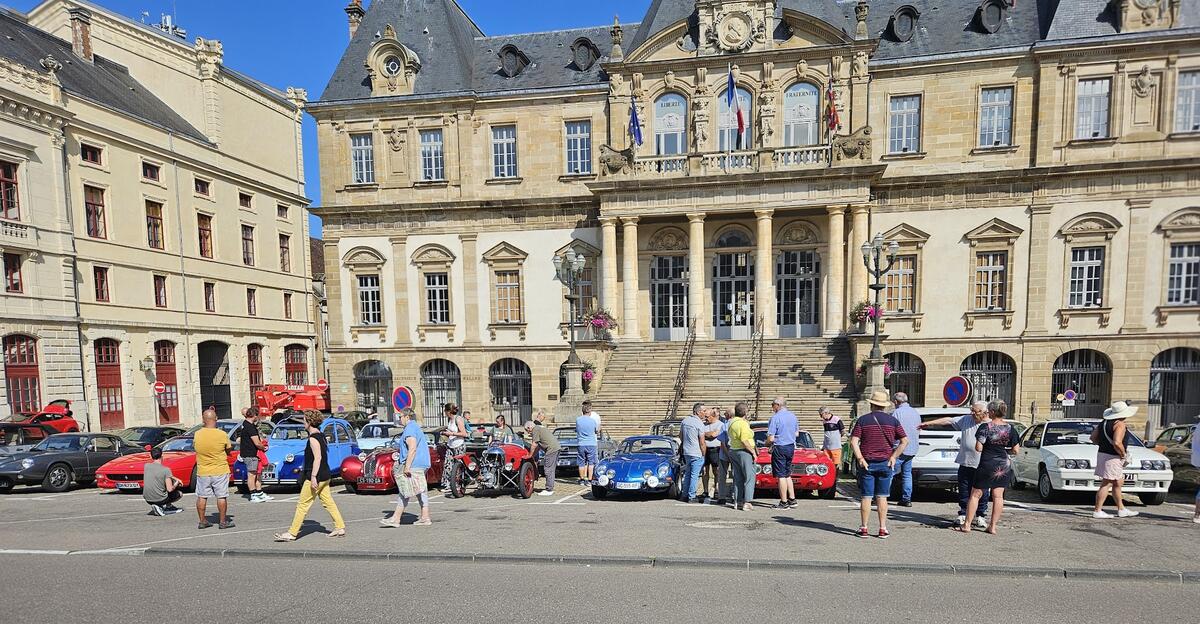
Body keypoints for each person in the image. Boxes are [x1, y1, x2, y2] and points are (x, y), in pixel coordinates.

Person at [274, 410, 347, 540]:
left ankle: (292, 533)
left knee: (302, 505)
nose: (303, 422)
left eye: (304, 420)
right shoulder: (321, 435)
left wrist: (313, 477)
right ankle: (340, 527)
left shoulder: (313, 438)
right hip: (325, 474)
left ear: (309, 422)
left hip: (316, 476)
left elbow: (317, 458)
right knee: (328, 502)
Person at [919, 401, 990, 528]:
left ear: (985, 413)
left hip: (982, 464)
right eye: (972, 410)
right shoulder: (966, 419)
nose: (972, 413)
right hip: (965, 461)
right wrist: (928, 423)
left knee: (982, 492)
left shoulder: (990, 424)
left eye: (976, 411)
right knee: (963, 489)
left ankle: (980, 515)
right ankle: (963, 514)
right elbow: (949, 421)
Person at [849, 390, 908, 539]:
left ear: (872, 405)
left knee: (866, 497)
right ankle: (882, 528)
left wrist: (860, 458)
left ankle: (864, 528)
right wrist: (894, 456)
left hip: (867, 463)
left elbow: (854, 441)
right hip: (885, 463)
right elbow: (904, 441)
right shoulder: (893, 421)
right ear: (884, 406)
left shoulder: (862, 420)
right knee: (882, 497)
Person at [958, 400, 1020, 534]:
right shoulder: (1011, 429)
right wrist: (1003, 451)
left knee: (975, 494)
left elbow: (978, 447)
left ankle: (967, 525)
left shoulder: (985, 427)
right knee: (998, 496)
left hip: (987, 463)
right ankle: (992, 526)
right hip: (1003, 464)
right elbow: (1015, 450)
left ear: (991, 412)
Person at [381, 408, 432, 527]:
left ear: (407, 417)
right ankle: (425, 517)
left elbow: (412, 448)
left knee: (405, 490)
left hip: (414, 464)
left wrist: (407, 466)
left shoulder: (410, 429)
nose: (400, 419)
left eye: (401, 417)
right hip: (421, 463)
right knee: (420, 490)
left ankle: (396, 518)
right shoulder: (416, 427)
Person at [1091, 401, 1140, 519]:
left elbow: (1093, 438)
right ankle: (1097, 510)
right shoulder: (1120, 424)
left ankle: (1121, 508)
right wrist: (1123, 453)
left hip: (1103, 454)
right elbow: (1117, 442)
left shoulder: (1104, 422)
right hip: (1113, 456)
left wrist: (1104, 446)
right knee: (1106, 483)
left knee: (1118, 482)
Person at [194, 408, 234, 530]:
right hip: (220, 469)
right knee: (221, 496)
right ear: (215, 419)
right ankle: (222, 522)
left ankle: (202, 521)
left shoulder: (197, 434)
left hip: (203, 470)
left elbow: (195, 447)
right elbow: (228, 449)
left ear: (203, 420)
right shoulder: (222, 434)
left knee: (202, 496)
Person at [766, 397, 799, 509]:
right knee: (787, 473)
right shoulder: (793, 416)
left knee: (780, 475)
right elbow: (797, 433)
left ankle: (783, 501)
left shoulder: (775, 418)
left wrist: (766, 443)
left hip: (780, 446)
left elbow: (770, 438)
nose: (772, 408)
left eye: (773, 405)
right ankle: (792, 499)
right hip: (790, 446)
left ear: (778, 405)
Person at [891, 392, 921, 507]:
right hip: (913, 447)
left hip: (899, 448)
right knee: (907, 474)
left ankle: (881, 496)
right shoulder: (915, 412)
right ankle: (906, 499)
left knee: (890, 472)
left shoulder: (896, 413)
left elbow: (892, 431)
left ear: (895, 402)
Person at [727, 402, 757, 511]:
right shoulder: (743, 424)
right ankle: (747, 502)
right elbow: (744, 440)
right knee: (749, 476)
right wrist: (753, 452)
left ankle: (737, 501)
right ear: (745, 412)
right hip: (744, 451)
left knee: (738, 477)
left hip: (733, 450)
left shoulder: (731, 422)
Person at [238, 407, 272, 503]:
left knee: (256, 473)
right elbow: (257, 442)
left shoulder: (246, 425)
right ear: (254, 415)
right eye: (257, 415)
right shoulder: (250, 427)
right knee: (252, 474)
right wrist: (263, 447)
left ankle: (259, 493)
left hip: (248, 453)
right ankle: (253, 494)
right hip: (250, 454)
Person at [143, 446, 182, 516]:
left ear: (151, 456)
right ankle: (161, 506)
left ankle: (163, 506)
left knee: (163, 482)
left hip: (147, 499)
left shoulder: (146, 466)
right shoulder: (166, 470)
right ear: (162, 456)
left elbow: (160, 474)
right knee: (179, 493)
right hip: (160, 499)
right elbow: (170, 489)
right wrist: (177, 482)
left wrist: (175, 478)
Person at [679, 403, 706, 503]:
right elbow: (702, 441)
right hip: (696, 452)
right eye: (703, 411)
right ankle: (692, 496)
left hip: (687, 451)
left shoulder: (685, 421)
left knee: (687, 474)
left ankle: (684, 494)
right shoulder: (699, 423)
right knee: (694, 475)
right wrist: (703, 454)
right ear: (698, 412)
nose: (705, 413)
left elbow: (680, 435)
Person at [525, 420, 561, 496]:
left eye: (527, 430)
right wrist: (532, 455)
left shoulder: (535, 430)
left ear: (529, 427)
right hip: (555, 448)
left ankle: (549, 489)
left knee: (548, 469)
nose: (528, 433)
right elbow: (538, 447)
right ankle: (550, 487)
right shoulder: (539, 428)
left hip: (551, 449)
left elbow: (534, 444)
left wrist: (529, 455)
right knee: (551, 469)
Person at [700, 407, 726, 504]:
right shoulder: (703, 424)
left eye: (707, 417)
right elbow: (701, 435)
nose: (705, 419)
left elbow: (714, 435)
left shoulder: (720, 424)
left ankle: (717, 489)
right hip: (705, 449)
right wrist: (706, 434)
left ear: (713, 416)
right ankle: (705, 490)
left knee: (716, 471)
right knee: (705, 471)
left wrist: (705, 434)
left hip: (715, 449)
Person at [441, 403, 467, 491]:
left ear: (449, 411)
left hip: (458, 445)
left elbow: (464, 434)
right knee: (448, 465)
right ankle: (448, 485)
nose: (444, 412)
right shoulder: (450, 419)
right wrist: (446, 433)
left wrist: (451, 433)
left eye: (445, 411)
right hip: (450, 445)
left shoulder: (458, 419)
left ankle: (458, 485)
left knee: (458, 466)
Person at [575, 402, 600, 486]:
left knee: (581, 462)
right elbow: (596, 431)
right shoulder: (592, 421)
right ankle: (589, 480)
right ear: (589, 412)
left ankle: (582, 479)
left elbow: (577, 429)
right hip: (591, 443)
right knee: (591, 462)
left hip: (581, 443)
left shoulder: (578, 420)